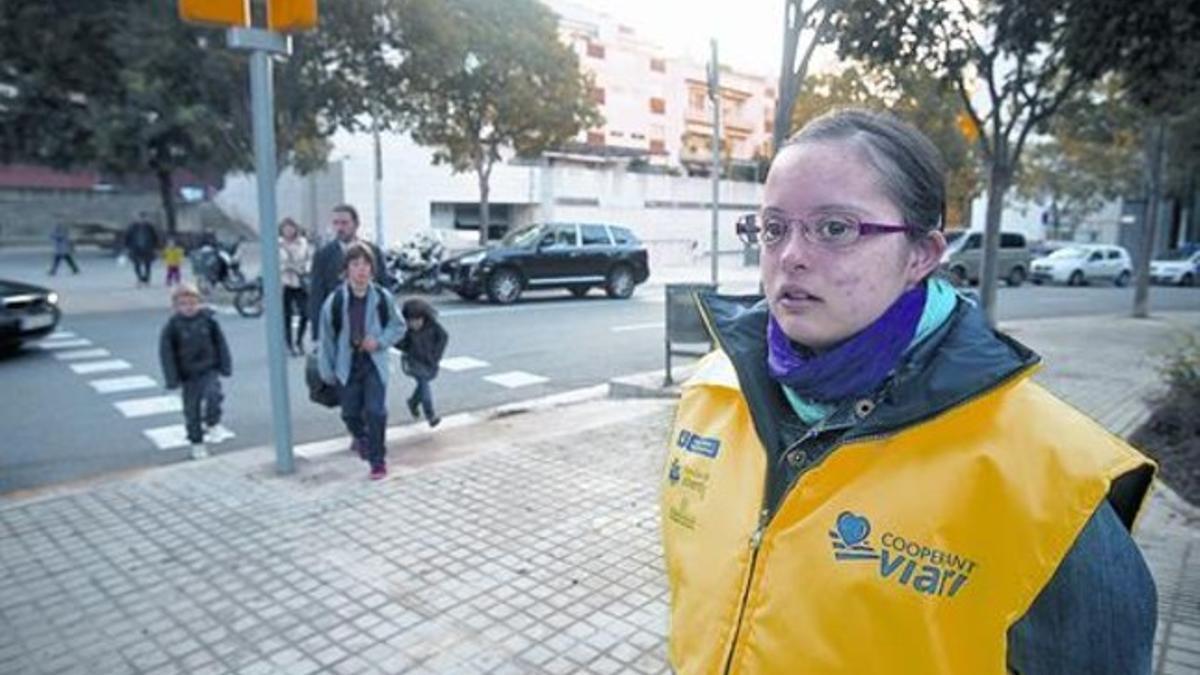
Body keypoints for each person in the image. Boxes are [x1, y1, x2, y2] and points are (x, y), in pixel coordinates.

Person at [660, 109, 1156, 674]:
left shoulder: (1050, 478)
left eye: (835, 228)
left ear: (921, 254)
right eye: (774, 228)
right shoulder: (713, 392)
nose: (790, 255)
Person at [318, 243, 403, 480]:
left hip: (373, 364)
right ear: (346, 269)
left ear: (372, 269)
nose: (361, 270)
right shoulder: (335, 301)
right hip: (347, 365)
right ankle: (363, 439)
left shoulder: (382, 297)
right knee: (349, 414)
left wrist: (379, 341)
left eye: (366, 264)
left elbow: (398, 326)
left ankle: (378, 461)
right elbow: (327, 339)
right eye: (355, 264)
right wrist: (327, 371)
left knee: (376, 412)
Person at [159, 283, 232, 461]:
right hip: (188, 375)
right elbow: (167, 354)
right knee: (192, 411)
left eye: (192, 303)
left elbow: (221, 344)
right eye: (183, 304)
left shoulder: (208, 321)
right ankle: (196, 442)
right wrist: (172, 378)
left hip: (209, 369)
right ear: (176, 307)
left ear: (199, 302)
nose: (189, 307)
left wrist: (225, 365)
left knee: (214, 395)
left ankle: (213, 421)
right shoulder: (172, 327)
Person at [308, 204, 390, 343]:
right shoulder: (324, 255)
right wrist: (318, 332)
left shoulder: (372, 251)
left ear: (356, 224)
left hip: (369, 321)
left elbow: (383, 284)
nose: (340, 228)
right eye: (336, 223)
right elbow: (317, 293)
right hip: (338, 322)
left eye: (344, 223)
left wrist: (386, 323)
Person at [397, 298, 449, 428]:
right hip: (415, 362)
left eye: (417, 320)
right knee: (424, 386)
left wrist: (436, 355)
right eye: (411, 321)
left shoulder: (433, 327)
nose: (414, 324)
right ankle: (430, 415)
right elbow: (400, 344)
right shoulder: (407, 331)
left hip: (430, 361)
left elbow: (443, 338)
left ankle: (413, 402)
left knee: (422, 386)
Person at [279, 217, 313, 356]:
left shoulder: (303, 242)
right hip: (284, 283)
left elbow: (308, 258)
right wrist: (289, 267)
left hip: (300, 283)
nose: (288, 230)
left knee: (305, 313)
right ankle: (289, 344)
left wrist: (305, 268)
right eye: (285, 228)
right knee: (286, 316)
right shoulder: (277, 244)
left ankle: (299, 341)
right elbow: (276, 262)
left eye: (291, 227)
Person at [124, 212, 160, 287]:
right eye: (140, 218)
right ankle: (139, 279)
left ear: (146, 218)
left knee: (148, 265)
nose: (142, 220)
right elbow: (127, 237)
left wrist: (156, 247)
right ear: (137, 218)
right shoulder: (133, 227)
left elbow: (155, 237)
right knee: (137, 264)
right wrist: (127, 247)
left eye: (143, 218)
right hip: (135, 248)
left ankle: (147, 279)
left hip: (148, 248)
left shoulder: (150, 227)